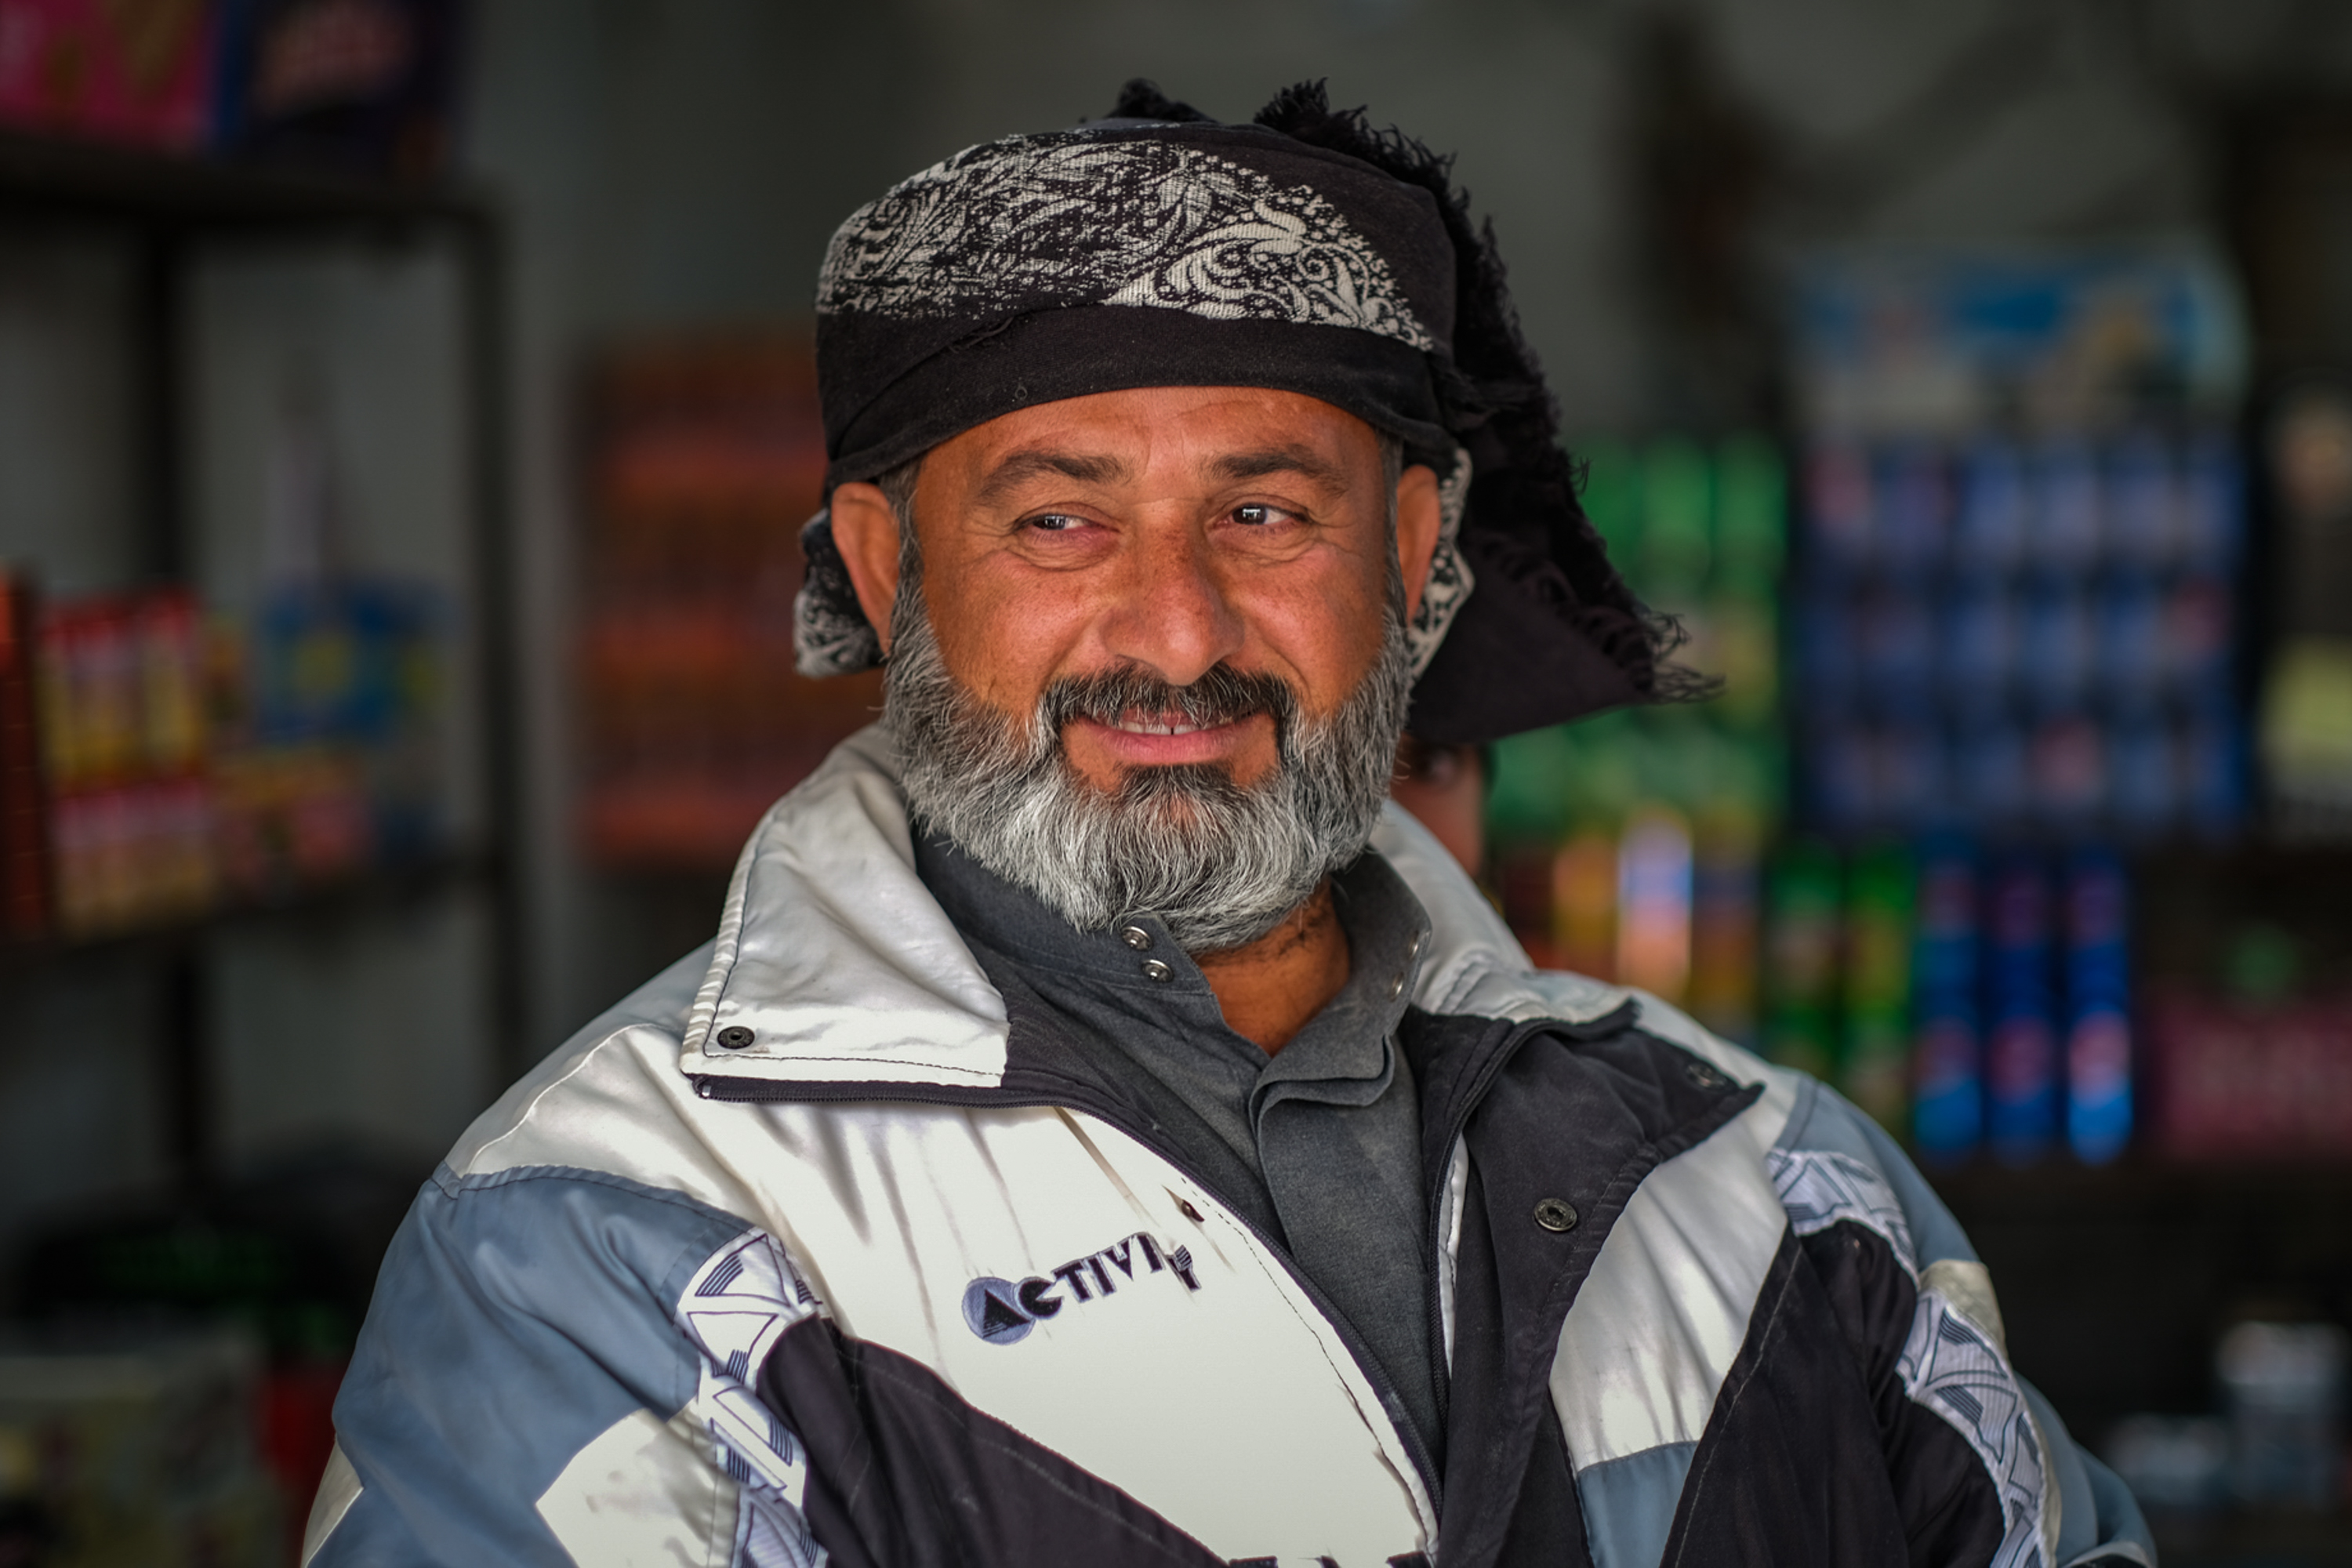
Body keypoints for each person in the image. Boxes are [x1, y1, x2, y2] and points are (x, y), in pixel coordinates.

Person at [302, 82, 2153, 1567]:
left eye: (1268, 514)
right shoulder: (618, 1251)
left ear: (1419, 561)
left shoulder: (1767, 1190)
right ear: (887, 572)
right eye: (1058, 520)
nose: (1176, 631)